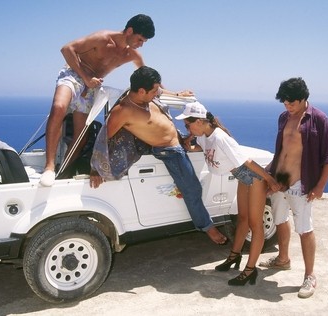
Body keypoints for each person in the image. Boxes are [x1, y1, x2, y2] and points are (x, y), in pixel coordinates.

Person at [90, 66, 228, 245]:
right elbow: (103, 138)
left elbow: (161, 92)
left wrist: (178, 95)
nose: (158, 92)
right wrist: (95, 168)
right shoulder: (124, 111)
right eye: (154, 90)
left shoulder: (145, 97)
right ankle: (207, 227)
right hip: (170, 152)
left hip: (179, 141)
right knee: (192, 189)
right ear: (141, 91)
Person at [40, 14, 155, 186]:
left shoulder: (132, 55)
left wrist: (175, 93)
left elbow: (148, 78)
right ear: (129, 31)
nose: (141, 44)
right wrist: (85, 78)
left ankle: (62, 170)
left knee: (81, 135)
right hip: (74, 75)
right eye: (140, 39)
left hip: (92, 86)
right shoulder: (102, 38)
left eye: (144, 41)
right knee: (58, 107)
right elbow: (67, 49)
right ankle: (49, 167)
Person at [175, 102, 280, 286]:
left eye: (188, 125)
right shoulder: (204, 137)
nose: (187, 128)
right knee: (242, 219)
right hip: (242, 177)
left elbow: (247, 161)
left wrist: (270, 180)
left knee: (256, 225)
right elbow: (199, 148)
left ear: (199, 121)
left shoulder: (220, 138)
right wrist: (188, 143)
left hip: (254, 177)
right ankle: (234, 256)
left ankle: (250, 270)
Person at [258, 77, 328, 298]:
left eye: (291, 103)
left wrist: (320, 186)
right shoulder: (284, 117)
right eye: (284, 103)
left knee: (304, 229)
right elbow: (282, 150)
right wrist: (267, 173)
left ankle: (310, 276)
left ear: (304, 99)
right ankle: (283, 259)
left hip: (301, 185)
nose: (287, 107)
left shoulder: (320, 120)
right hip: (278, 183)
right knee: (280, 220)